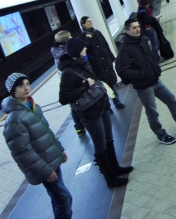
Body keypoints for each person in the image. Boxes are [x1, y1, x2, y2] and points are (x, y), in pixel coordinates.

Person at [57, 38, 133, 188]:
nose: (85, 49)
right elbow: (63, 98)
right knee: (100, 145)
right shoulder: (68, 72)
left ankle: (115, 167)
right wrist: (84, 86)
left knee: (109, 138)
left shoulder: (83, 62)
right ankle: (110, 178)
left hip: (101, 105)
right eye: (83, 47)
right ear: (76, 51)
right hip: (89, 113)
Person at [115, 18, 176, 145]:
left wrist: (155, 68)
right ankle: (161, 134)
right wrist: (143, 74)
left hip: (155, 80)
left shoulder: (141, 40)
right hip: (143, 86)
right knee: (152, 112)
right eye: (134, 28)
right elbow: (122, 70)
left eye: (138, 26)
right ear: (127, 31)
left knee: (171, 99)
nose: (138, 29)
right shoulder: (125, 49)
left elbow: (149, 56)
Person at [2, 73, 72, 219]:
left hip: (51, 159)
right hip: (43, 166)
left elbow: (46, 131)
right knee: (63, 198)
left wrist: (59, 149)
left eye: (27, 83)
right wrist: (45, 171)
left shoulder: (32, 106)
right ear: (13, 91)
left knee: (59, 199)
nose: (26, 88)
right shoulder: (14, 119)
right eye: (21, 86)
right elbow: (22, 152)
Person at [80, 16, 124, 109]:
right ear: (83, 24)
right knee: (102, 86)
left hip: (106, 62)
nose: (91, 23)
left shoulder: (97, 32)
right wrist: (87, 39)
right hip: (96, 65)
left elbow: (105, 45)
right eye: (88, 22)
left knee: (111, 84)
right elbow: (84, 51)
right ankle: (107, 106)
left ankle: (117, 102)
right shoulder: (81, 37)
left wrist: (111, 57)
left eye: (91, 21)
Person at [52, 30, 86, 135]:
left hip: (66, 78)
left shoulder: (56, 51)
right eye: (70, 36)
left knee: (73, 104)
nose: (72, 37)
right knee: (77, 101)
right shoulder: (68, 51)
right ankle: (80, 124)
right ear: (66, 40)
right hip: (72, 77)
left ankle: (79, 127)